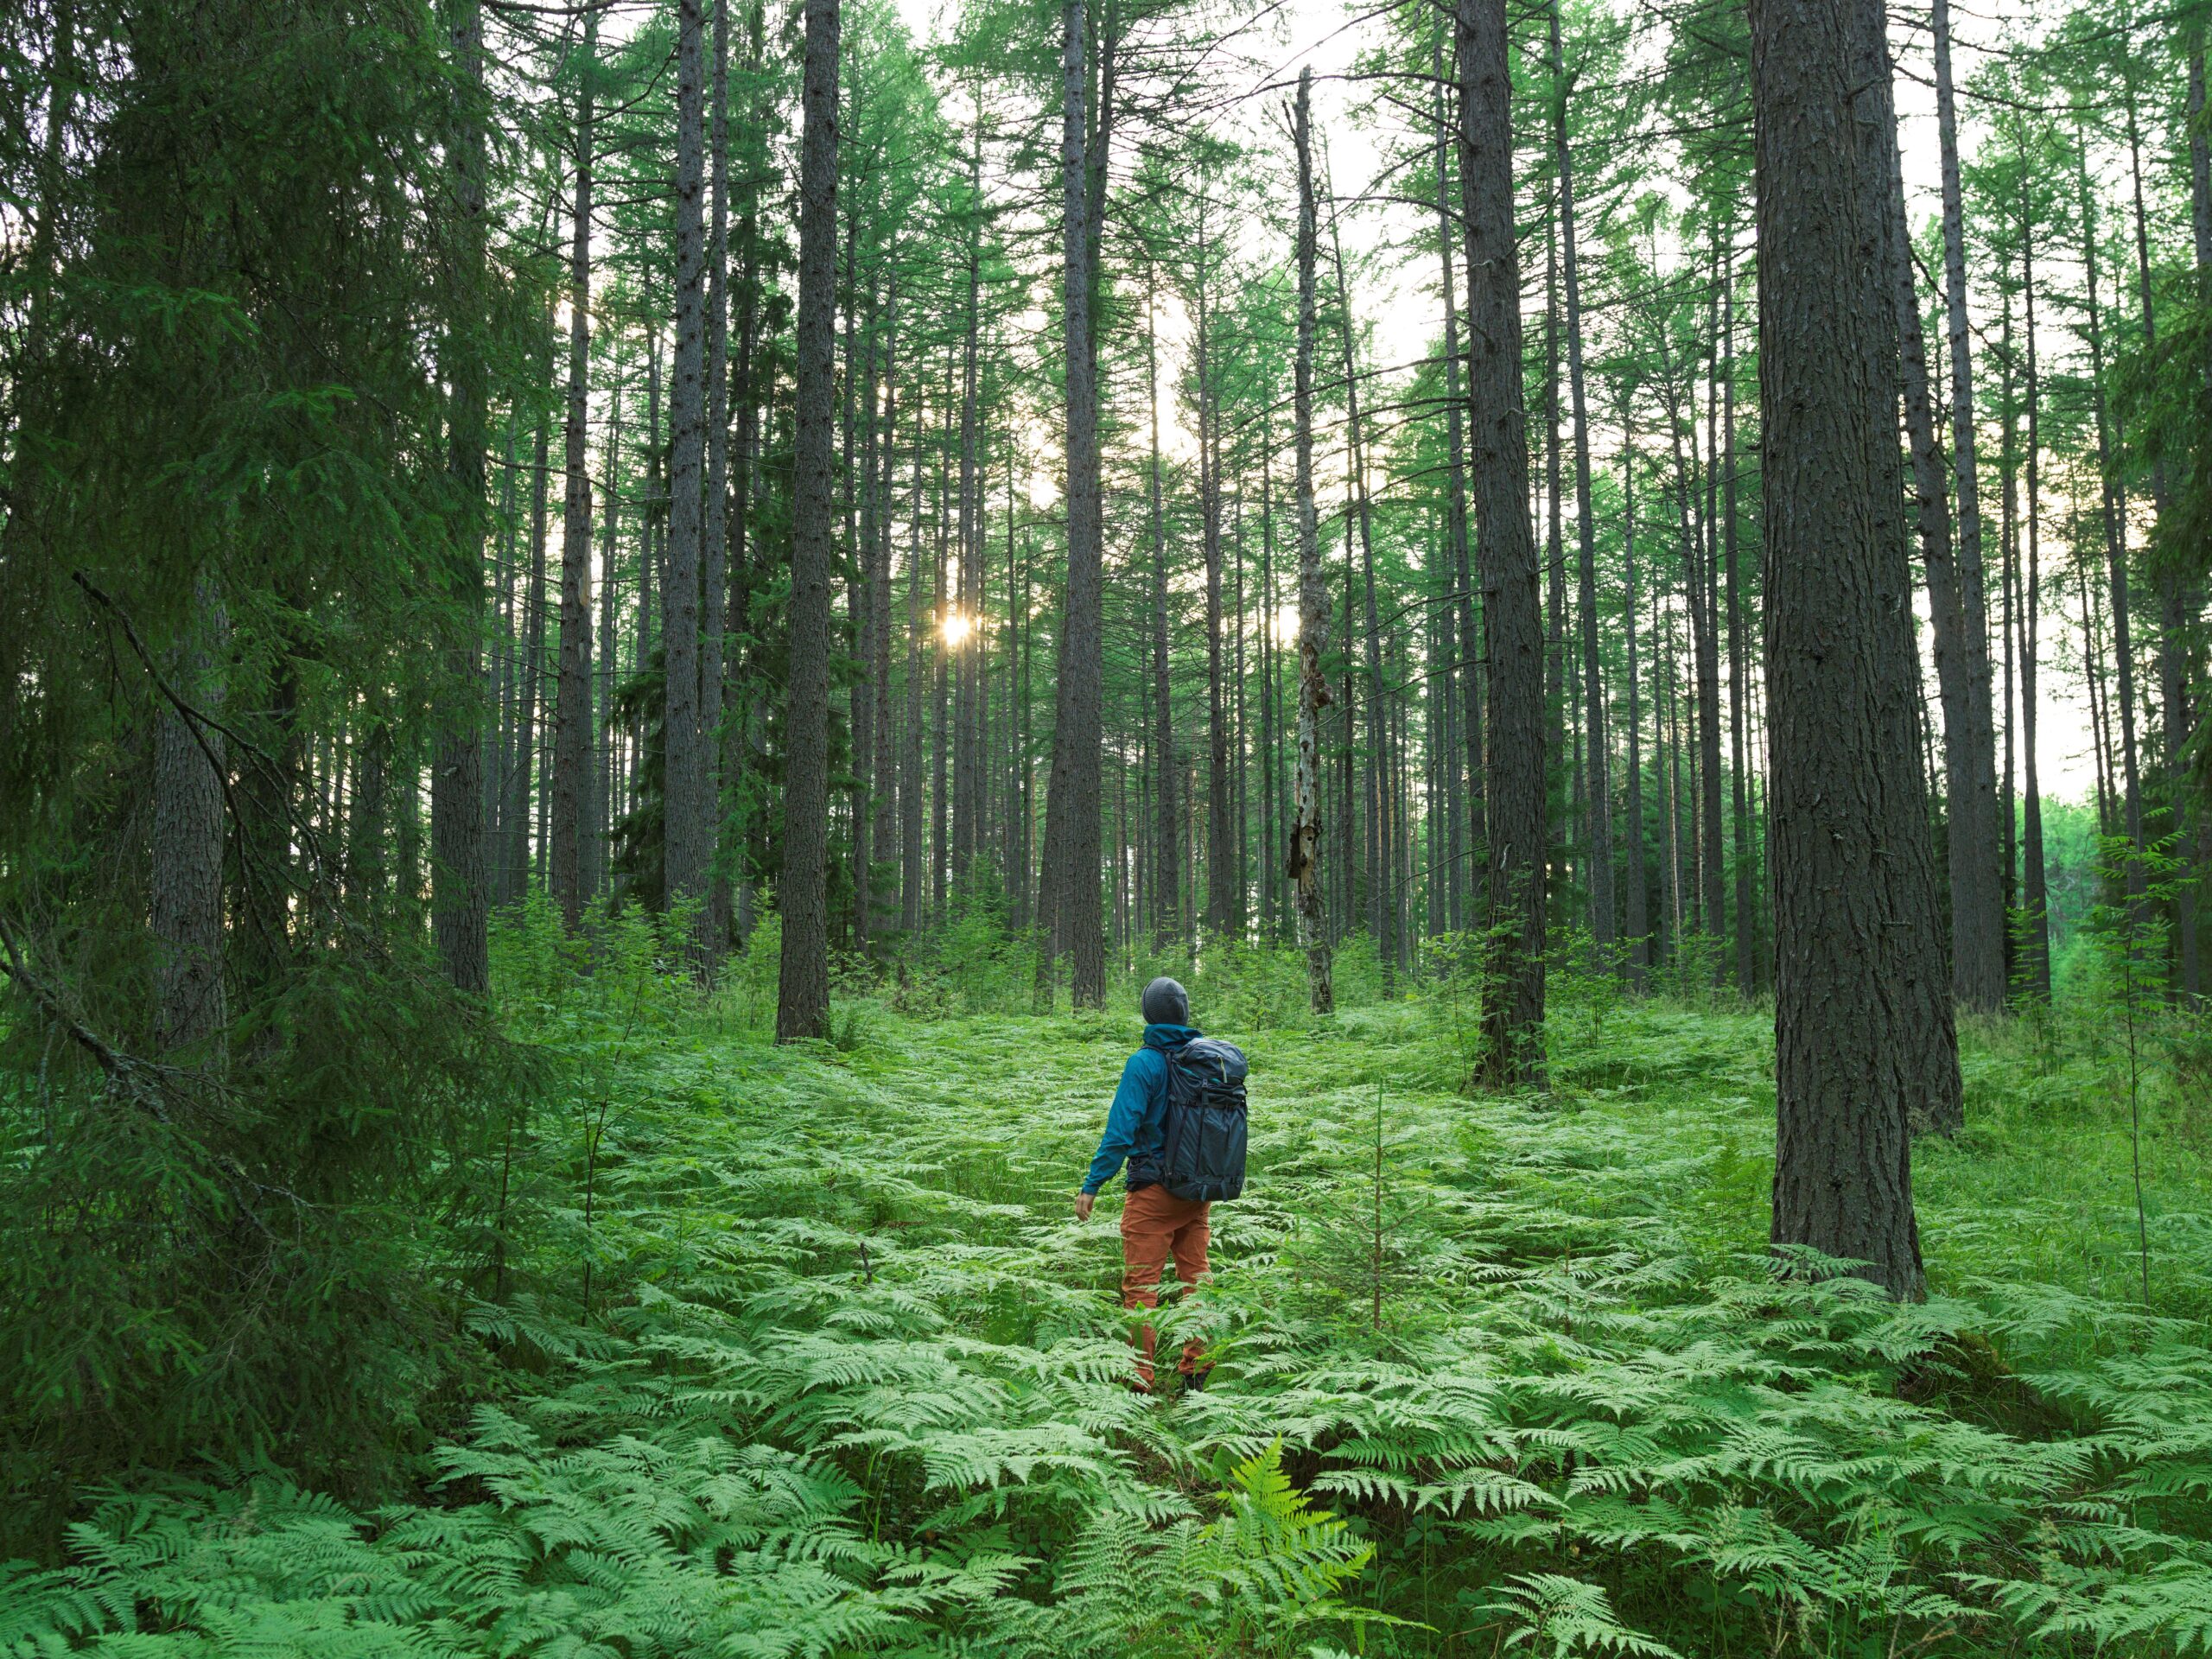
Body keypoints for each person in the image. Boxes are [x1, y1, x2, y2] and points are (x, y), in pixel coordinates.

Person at [1074, 976, 1214, 1391]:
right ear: (1185, 1013)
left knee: (1141, 1288)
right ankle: (1197, 1371)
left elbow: (1120, 1131)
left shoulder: (1145, 1063)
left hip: (1153, 1192)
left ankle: (1140, 1380)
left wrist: (1092, 1183)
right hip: (1200, 1188)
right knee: (1197, 1279)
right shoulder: (1203, 1058)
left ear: (1147, 1014)